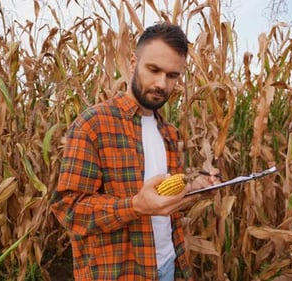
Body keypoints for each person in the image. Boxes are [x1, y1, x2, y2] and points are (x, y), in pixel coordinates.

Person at [51, 23, 219, 281]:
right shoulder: (94, 125)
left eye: (172, 75)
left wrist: (194, 187)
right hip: (119, 273)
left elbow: (165, 200)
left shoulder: (169, 133)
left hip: (168, 264)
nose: (162, 84)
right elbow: (69, 209)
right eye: (153, 70)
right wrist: (134, 206)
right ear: (133, 63)